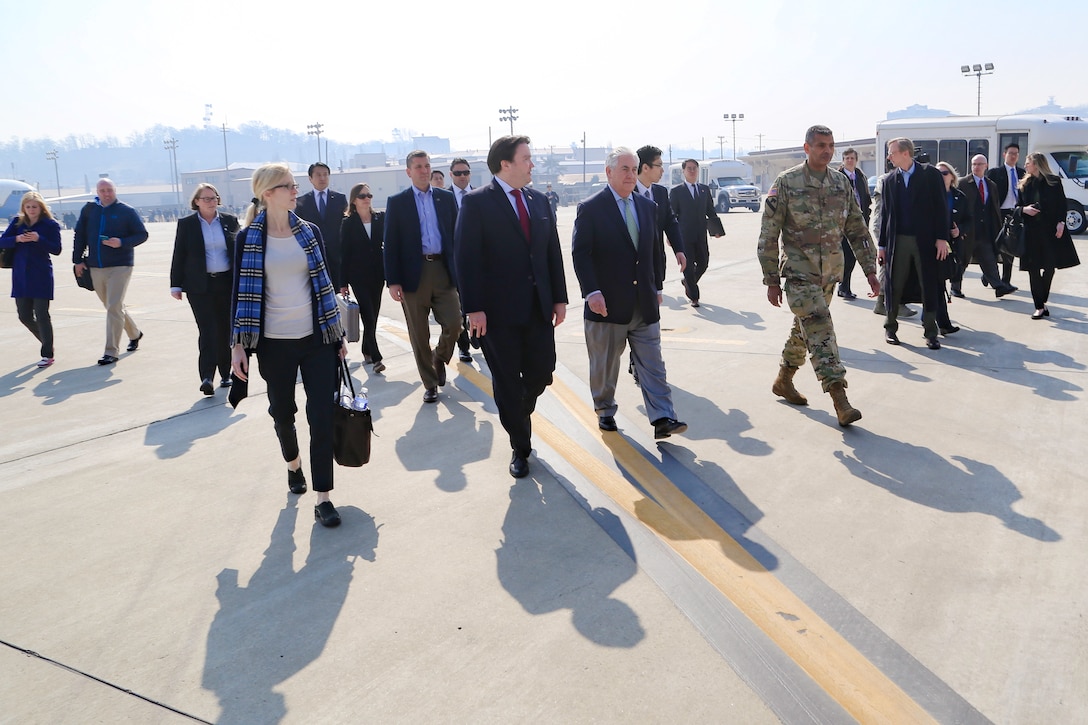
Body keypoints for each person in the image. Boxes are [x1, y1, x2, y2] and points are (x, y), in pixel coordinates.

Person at [230, 163, 347, 528]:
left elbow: (325, 287)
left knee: (322, 417)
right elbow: (239, 295)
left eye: (295, 186)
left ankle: (324, 496)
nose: (295, 191)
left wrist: (338, 335)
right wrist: (237, 346)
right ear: (267, 193)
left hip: (316, 339)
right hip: (273, 343)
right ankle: (293, 465)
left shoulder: (309, 233)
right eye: (287, 186)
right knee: (283, 412)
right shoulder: (248, 238)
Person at [455, 135, 568, 478]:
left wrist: (560, 297)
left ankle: (518, 407)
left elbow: (552, 252)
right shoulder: (477, 203)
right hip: (496, 313)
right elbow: (466, 258)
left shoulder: (538, 200)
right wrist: (473, 308)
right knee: (505, 380)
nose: (532, 164)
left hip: (537, 308)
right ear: (506, 164)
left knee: (542, 371)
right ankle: (520, 446)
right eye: (526, 158)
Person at [758, 125, 879, 427]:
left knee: (806, 329)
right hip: (799, 273)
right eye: (821, 145)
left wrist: (870, 271)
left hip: (829, 275)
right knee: (821, 329)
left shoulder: (840, 183)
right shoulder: (787, 183)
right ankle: (840, 398)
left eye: (831, 145)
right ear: (807, 148)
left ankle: (784, 379)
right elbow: (768, 234)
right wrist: (771, 279)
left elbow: (857, 228)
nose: (827, 150)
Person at [572, 147, 687, 440]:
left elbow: (652, 253)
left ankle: (663, 417)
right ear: (608, 172)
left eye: (633, 169)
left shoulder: (647, 207)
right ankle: (605, 409)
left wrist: (657, 287)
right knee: (606, 365)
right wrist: (592, 292)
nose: (630, 175)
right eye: (624, 169)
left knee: (653, 364)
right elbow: (581, 254)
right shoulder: (591, 208)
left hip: (644, 302)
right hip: (606, 306)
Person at [383, 150, 462, 403]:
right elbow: (391, 242)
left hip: (443, 270)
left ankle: (439, 357)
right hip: (412, 274)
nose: (424, 170)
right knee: (419, 333)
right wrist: (393, 280)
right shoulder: (398, 202)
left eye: (427, 166)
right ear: (408, 172)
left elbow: (457, 236)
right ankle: (429, 383)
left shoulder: (446, 198)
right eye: (418, 167)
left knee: (454, 323)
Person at [877, 137, 950, 350]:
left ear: (905, 153)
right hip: (896, 242)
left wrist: (941, 238)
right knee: (894, 285)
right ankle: (890, 327)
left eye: (892, 152)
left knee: (928, 284)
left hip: (925, 241)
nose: (889, 157)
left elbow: (941, 208)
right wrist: (882, 246)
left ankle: (930, 332)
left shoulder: (930, 175)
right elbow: (886, 215)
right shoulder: (889, 180)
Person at [169, 184, 239, 395]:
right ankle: (207, 376)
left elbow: (238, 251)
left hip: (226, 283)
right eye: (205, 198)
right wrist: (175, 283)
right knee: (207, 330)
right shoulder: (187, 224)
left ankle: (226, 373)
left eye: (213, 197)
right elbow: (179, 254)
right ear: (196, 201)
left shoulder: (229, 221)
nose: (210, 201)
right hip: (200, 286)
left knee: (225, 329)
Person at [72, 178, 148, 365]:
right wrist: (77, 260)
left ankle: (111, 351)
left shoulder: (126, 211)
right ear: (97, 192)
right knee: (112, 306)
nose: (106, 193)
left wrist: (121, 242)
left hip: (120, 265)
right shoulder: (89, 210)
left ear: (115, 190)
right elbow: (79, 235)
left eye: (109, 190)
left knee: (113, 306)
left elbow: (142, 234)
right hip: (96, 266)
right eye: (102, 190)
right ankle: (134, 333)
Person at [630, 144, 686, 386]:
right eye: (659, 166)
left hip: (654, 267)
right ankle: (639, 362)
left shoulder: (661, 193)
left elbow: (671, 222)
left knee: (650, 315)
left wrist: (679, 249)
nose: (662, 170)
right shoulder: (626, 191)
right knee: (634, 316)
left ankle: (640, 362)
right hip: (629, 270)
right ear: (645, 167)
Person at [0, 191, 62, 367]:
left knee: (42, 314)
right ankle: (46, 341)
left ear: (41, 208)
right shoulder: (17, 223)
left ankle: (47, 354)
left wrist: (38, 238)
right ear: (23, 208)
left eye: (34, 207)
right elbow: (2, 241)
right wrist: (17, 239)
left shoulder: (50, 224)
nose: (31, 210)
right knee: (24, 316)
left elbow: (56, 249)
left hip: (41, 275)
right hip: (21, 276)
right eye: (28, 207)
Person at [1016, 152, 1081, 319]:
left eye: (1028, 162)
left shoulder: (1054, 181)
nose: (1025, 166)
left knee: (1050, 268)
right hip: (1031, 233)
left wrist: (1061, 222)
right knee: (1033, 270)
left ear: (1037, 164)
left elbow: (1061, 204)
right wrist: (1025, 210)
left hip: (1050, 233)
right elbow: (1016, 208)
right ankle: (1038, 306)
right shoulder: (1024, 184)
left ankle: (1042, 300)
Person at [340, 182, 386, 373]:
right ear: (354, 201)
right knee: (367, 313)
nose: (367, 199)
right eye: (362, 196)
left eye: (369, 195)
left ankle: (366, 349)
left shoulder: (379, 218)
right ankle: (376, 357)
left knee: (373, 314)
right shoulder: (348, 223)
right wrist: (342, 283)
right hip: (358, 275)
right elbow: (344, 253)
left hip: (377, 274)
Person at [956, 155, 1016, 298]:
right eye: (974, 164)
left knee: (989, 259)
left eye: (979, 164)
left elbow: (994, 208)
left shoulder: (991, 185)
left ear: (986, 166)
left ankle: (999, 286)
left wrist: (997, 229)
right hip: (968, 230)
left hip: (985, 231)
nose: (976, 167)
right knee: (962, 261)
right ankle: (955, 287)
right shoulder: (963, 183)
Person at [669, 158, 724, 308]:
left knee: (703, 263)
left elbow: (710, 211)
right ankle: (694, 296)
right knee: (687, 266)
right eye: (689, 169)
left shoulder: (704, 190)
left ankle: (687, 282)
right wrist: (671, 236)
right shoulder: (676, 192)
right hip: (684, 236)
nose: (692, 171)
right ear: (683, 172)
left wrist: (716, 231)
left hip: (701, 234)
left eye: (695, 168)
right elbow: (672, 215)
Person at [295, 162, 348, 291]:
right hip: (313, 255)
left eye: (325, 175)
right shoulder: (302, 202)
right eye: (318, 175)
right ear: (310, 178)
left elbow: (346, 226)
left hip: (337, 256)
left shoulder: (340, 199)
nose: (322, 178)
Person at [447, 157, 475, 363]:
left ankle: (478, 336)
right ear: (451, 175)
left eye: (465, 172)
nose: (462, 176)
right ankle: (463, 345)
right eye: (458, 173)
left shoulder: (481, 196)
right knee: (459, 307)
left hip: (479, 260)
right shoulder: (443, 198)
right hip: (453, 262)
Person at [987, 143, 1026, 288]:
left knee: (1010, 247)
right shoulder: (995, 173)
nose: (1013, 156)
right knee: (996, 245)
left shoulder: (1022, 173)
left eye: (1016, 153)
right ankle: (989, 274)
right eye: (1010, 153)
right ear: (1004, 154)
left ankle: (1006, 280)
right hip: (999, 213)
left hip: (1014, 213)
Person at [933, 161, 964, 336]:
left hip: (952, 248)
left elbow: (968, 219)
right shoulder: (929, 196)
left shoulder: (959, 196)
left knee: (941, 284)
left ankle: (937, 321)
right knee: (937, 285)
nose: (941, 176)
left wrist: (960, 230)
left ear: (951, 176)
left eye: (944, 173)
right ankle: (940, 322)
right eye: (937, 174)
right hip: (933, 246)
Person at [837, 148, 871, 300]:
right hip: (844, 226)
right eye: (847, 158)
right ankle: (843, 287)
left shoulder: (860, 176)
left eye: (852, 158)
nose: (849, 160)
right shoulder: (838, 177)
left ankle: (845, 286)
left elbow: (866, 199)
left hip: (859, 224)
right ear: (843, 161)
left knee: (854, 257)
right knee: (846, 257)